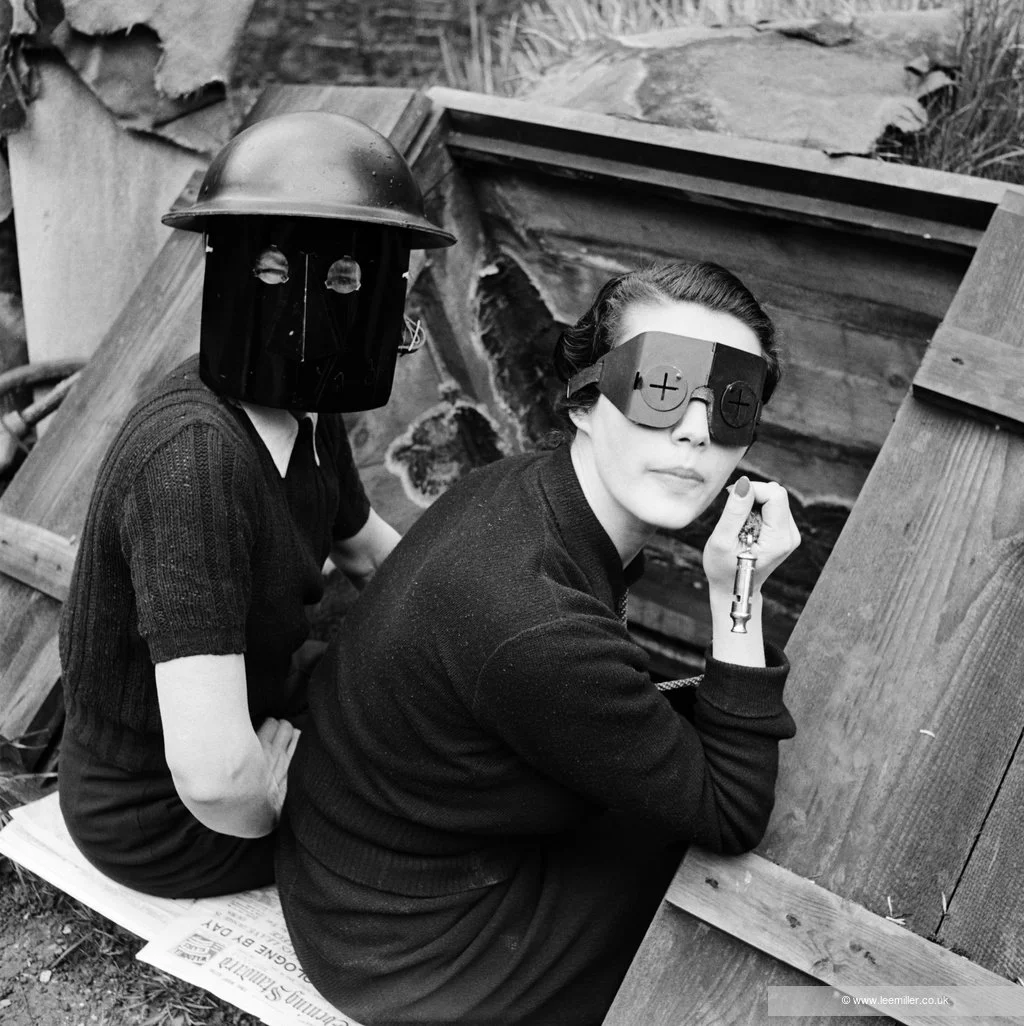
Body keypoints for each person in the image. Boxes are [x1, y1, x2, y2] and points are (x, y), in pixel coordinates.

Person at [276, 260, 801, 1025]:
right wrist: (740, 592)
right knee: (756, 878)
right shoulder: (537, 625)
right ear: (586, 402)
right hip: (420, 955)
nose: (694, 430)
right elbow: (732, 812)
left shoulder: (526, 487)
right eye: (660, 387)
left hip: (360, 877)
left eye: (731, 406)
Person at [57, 110, 455, 898]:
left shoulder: (304, 405)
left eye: (348, 279)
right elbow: (209, 776)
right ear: (232, 271)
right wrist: (280, 801)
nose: (318, 305)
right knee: (424, 826)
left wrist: (466, 638)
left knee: (430, 742)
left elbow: (368, 550)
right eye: (274, 272)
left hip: (262, 706)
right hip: (164, 812)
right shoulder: (195, 462)